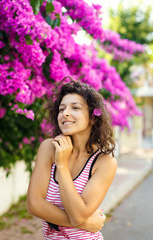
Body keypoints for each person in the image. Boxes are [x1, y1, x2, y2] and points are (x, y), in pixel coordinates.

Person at [27, 78, 117, 240]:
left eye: (75, 107)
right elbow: (34, 205)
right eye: (62, 109)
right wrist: (86, 224)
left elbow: (77, 214)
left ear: (92, 118)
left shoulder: (104, 162)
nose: (65, 113)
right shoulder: (49, 148)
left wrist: (61, 165)